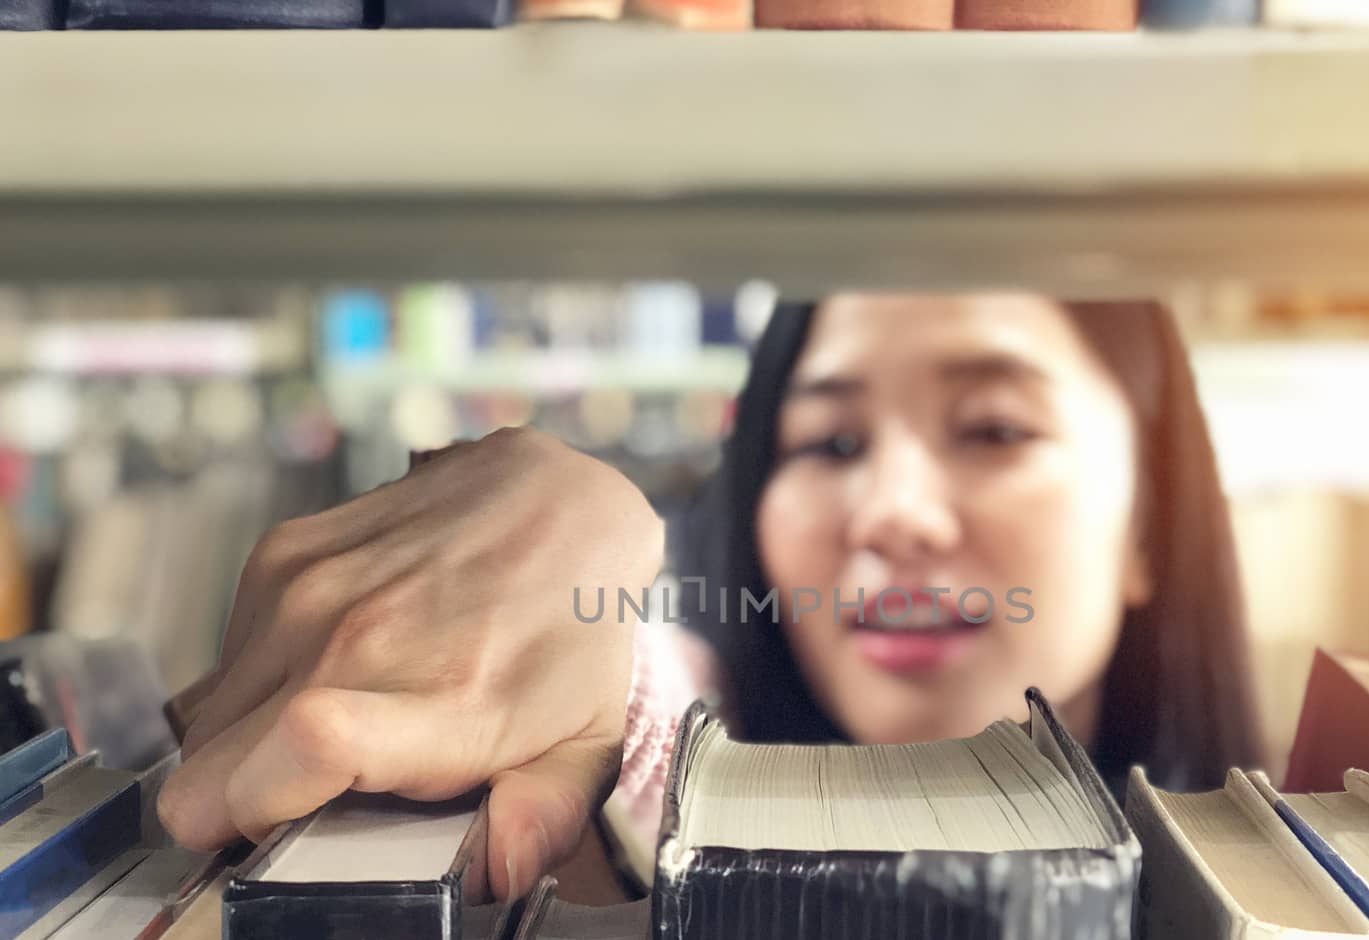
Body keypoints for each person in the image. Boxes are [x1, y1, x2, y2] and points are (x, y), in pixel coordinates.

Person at [158, 293, 1263, 900]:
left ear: (1149, 523)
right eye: (829, 440)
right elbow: (634, 703)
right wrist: (553, 536)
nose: (890, 511)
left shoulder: (1293, 915)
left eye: (992, 429)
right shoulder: (661, 800)